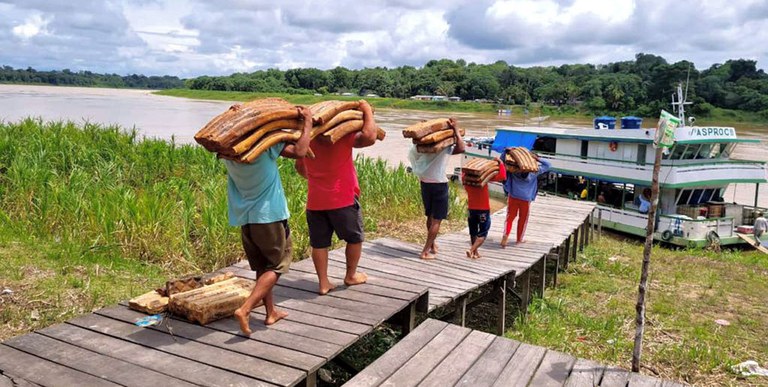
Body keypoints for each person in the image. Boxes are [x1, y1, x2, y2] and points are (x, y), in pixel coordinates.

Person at [228, 105, 312, 336]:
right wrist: (307, 121)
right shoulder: (265, 147)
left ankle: (270, 312)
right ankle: (245, 309)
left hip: (246, 216)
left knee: (263, 266)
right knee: (276, 266)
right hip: (269, 216)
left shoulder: (229, 152)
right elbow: (300, 151)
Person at [295, 100, 377, 295]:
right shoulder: (342, 135)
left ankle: (323, 283)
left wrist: (316, 177)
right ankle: (351, 275)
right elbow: (370, 136)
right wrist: (366, 109)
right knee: (354, 238)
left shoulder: (307, 139)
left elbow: (300, 167)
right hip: (343, 198)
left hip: (316, 200)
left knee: (319, 243)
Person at [408, 119, 465, 260]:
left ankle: (432, 245)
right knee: (437, 220)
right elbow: (461, 148)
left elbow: (413, 154)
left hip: (425, 183)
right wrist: (456, 130)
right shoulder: (442, 147)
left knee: (430, 216)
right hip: (439, 184)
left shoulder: (418, 147)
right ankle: (425, 251)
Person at [500, 151, 551, 247]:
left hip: (513, 196)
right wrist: (537, 158)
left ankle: (506, 234)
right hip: (526, 199)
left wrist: (506, 152)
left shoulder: (514, 170)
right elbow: (548, 165)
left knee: (510, 217)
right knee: (523, 219)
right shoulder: (534, 171)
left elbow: (502, 161)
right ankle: (519, 239)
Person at [463, 157, 506, 259]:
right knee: (483, 232)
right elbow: (503, 176)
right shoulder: (483, 179)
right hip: (483, 211)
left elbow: (464, 172)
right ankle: (471, 250)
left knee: (473, 231)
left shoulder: (465, 179)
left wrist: (472, 163)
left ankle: (475, 253)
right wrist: (500, 163)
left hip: (471, 210)